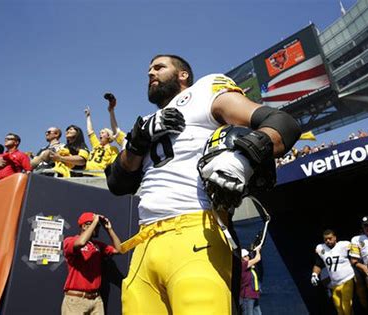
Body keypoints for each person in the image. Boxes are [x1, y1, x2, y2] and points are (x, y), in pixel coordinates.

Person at [105, 54, 301, 314]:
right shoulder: (147, 121)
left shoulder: (205, 90)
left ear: (183, 74)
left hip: (196, 230)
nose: (150, 73)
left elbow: (282, 124)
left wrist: (241, 159)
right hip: (145, 243)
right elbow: (118, 182)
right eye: (148, 69)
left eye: (159, 67)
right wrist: (138, 140)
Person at [62, 212, 122, 315]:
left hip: (96, 299)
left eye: (98, 226)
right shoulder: (70, 240)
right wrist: (95, 221)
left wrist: (109, 229)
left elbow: (119, 249)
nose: (98, 228)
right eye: (95, 225)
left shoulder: (98, 246)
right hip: (76, 300)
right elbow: (81, 243)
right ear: (84, 226)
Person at [311, 229, 355, 315]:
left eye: (330, 238)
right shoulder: (321, 249)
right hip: (335, 284)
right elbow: (318, 264)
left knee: (347, 307)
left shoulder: (344, 245)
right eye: (325, 239)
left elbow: (355, 257)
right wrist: (314, 274)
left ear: (335, 238)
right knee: (340, 310)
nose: (328, 241)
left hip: (347, 280)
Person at [83, 107, 120, 177]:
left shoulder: (113, 149)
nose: (100, 134)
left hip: (100, 176)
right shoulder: (96, 145)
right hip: (86, 174)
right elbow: (90, 131)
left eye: (103, 133)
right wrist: (88, 117)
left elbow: (114, 164)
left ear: (109, 136)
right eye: (100, 133)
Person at [240, 247, 262, 315]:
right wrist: (258, 251)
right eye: (245, 256)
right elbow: (257, 259)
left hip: (254, 295)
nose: (247, 257)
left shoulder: (249, 266)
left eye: (247, 256)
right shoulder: (243, 265)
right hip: (247, 297)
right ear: (241, 258)